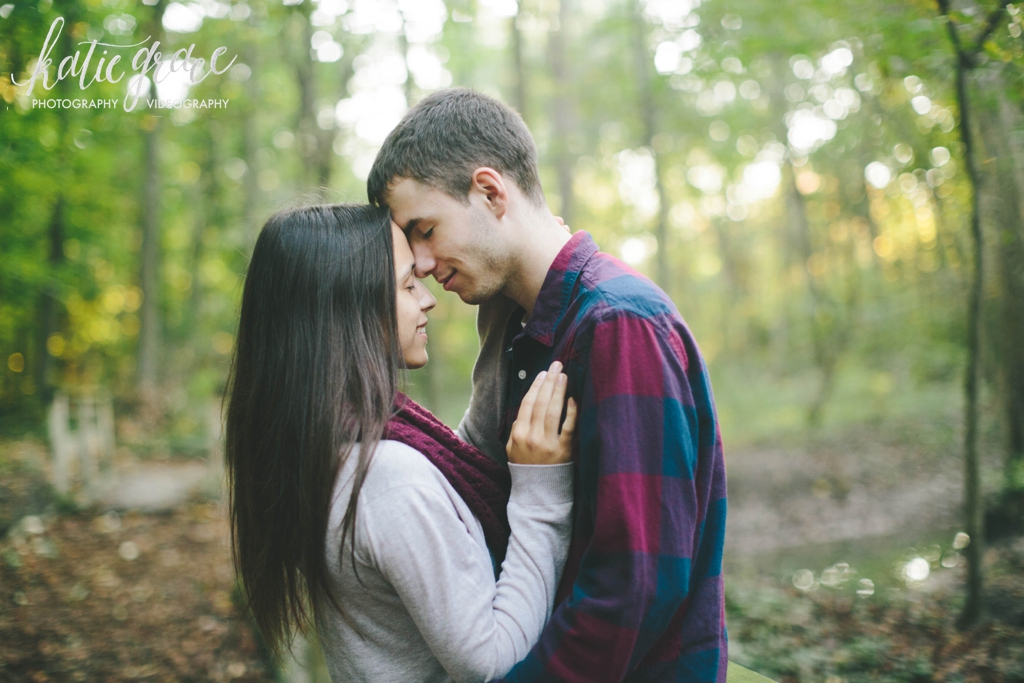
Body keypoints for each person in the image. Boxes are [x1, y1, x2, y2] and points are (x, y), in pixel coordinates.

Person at [367, 88, 729, 682]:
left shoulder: (619, 323)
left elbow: (635, 582)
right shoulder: (517, 320)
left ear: (490, 191)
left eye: (425, 229)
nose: (423, 263)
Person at [224, 203, 579, 682]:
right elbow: (490, 661)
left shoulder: (330, 443)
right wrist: (541, 495)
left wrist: (510, 294)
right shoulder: (386, 480)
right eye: (408, 284)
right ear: (348, 309)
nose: (427, 299)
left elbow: (455, 475)